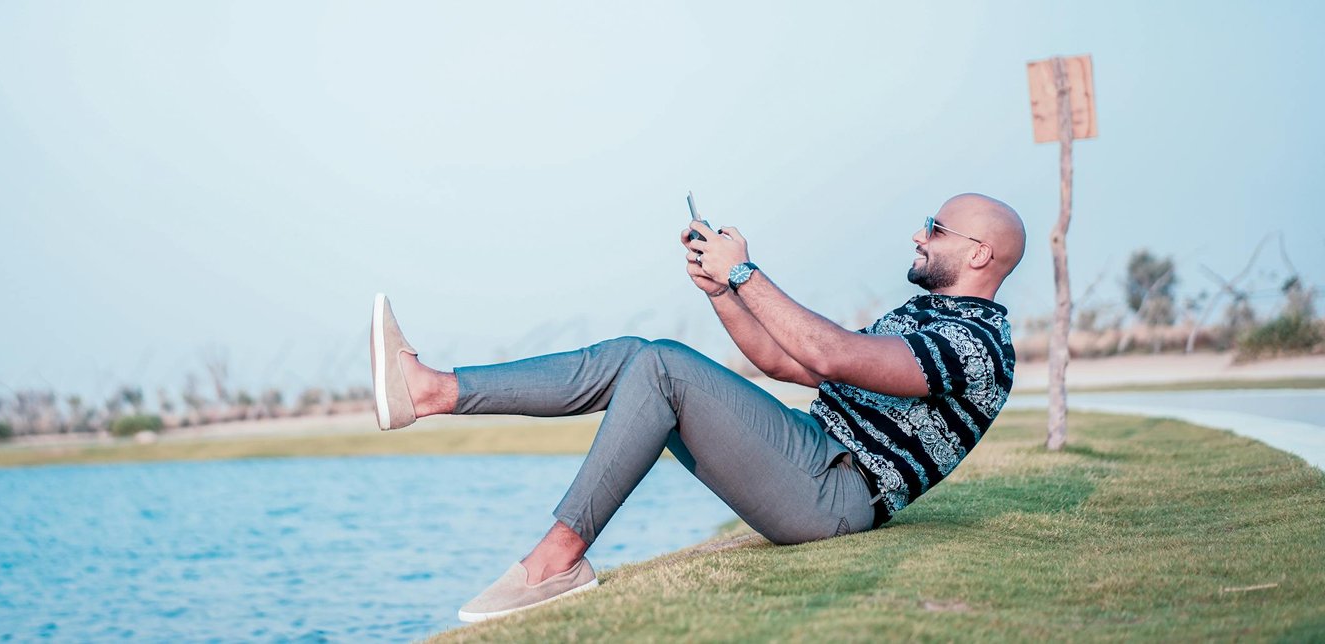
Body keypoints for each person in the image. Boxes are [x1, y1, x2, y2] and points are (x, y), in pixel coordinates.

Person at [369, 193, 1026, 623]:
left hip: (834, 494)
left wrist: (747, 274)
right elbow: (786, 362)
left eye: (935, 228)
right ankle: (433, 391)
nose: (919, 232)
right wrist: (722, 290)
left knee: (661, 365)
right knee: (637, 355)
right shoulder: (928, 316)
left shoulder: (976, 345)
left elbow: (830, 354)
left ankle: (554, 565)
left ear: (977, 253)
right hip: (811, 456)